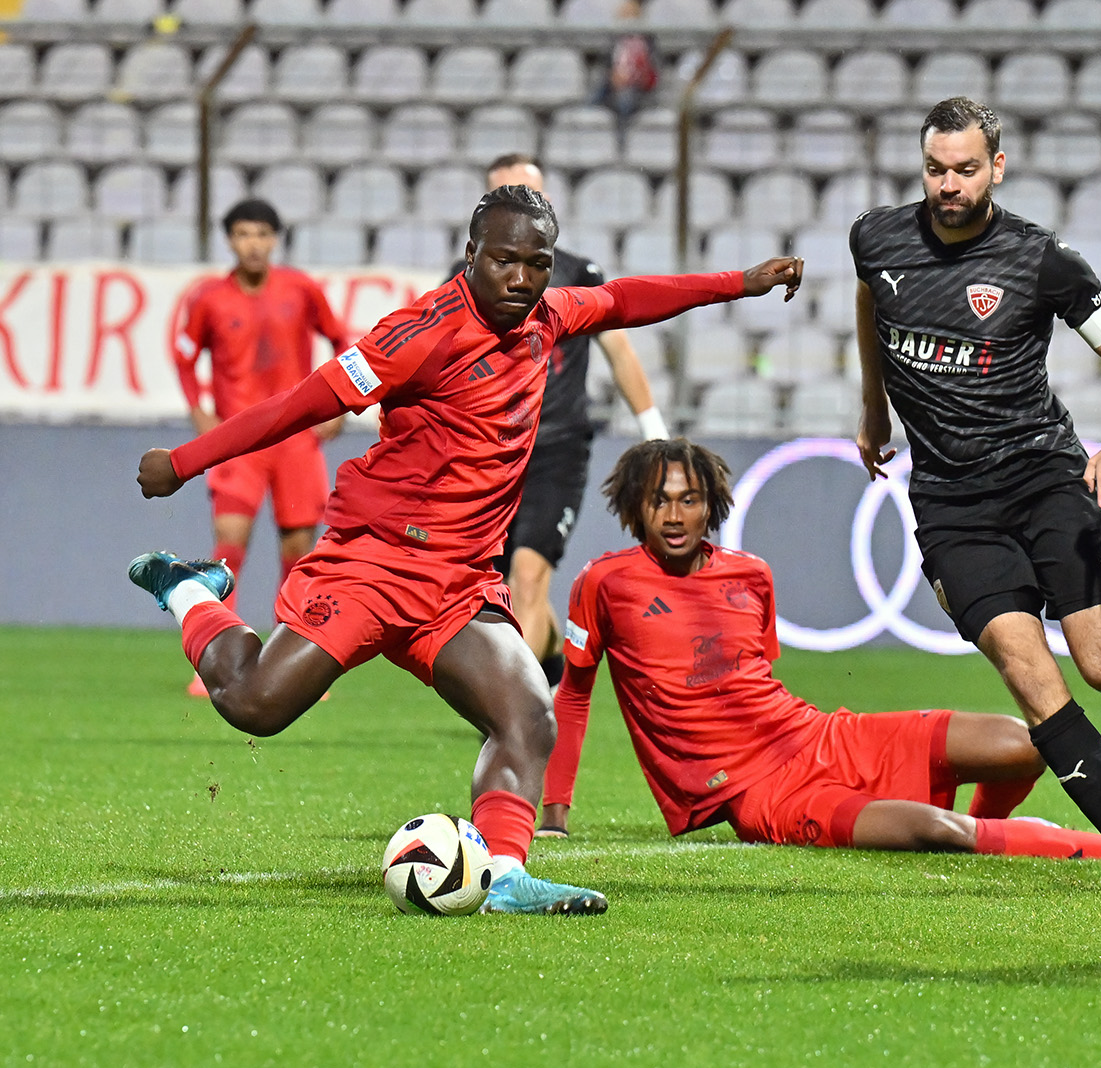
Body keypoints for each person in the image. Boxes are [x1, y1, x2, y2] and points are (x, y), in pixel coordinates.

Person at [128, 183, 803, 915]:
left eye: (538, 264)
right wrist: (188, 460)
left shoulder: (547, 316)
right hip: (376, 562)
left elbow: (627, 299)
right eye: (505, 260)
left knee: (527, 715)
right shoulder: (415, 334)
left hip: (457, 583)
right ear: (470, 254)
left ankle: (506, 876)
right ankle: (191, 591)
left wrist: (740, 283)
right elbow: (299, 404)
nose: (521, 279)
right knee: (255, 704)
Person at [850, 97, 1101, 899]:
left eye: (965, 170)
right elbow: (873, 302)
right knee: (1033, 680)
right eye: (935, 169)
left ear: (997, 166)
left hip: (1044, 481)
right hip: (953, 506)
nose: (948, 186)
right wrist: (872, 408)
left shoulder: (1043, 260)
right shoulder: (877, 238)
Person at [542, 438, 1101, 865]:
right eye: (659, 501)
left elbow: (755, 683)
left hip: (824, 737)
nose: (673, 514)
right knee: (936, 831)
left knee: (1034, 744)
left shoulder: (749, 574)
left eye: (689, 499)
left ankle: (997, 836)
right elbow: (574, 694)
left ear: (710, 504)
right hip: (763, 797)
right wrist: (554, 812)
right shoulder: (603, 584)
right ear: (634, 507)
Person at [450, 154, 670, 696]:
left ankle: (516, 715)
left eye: (528, 193)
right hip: (488, 452)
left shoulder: (576, 273)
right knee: (494, 594)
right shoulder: (460, 284)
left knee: (528, 578)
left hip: (556, 448)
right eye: (504, 194)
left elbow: (618, 349)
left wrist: (655, 432)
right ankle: (547, 675)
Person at [172, 199, 351, 697]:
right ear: (229, 240)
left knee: (298, 551)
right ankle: (214, 659)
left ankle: (293, 663)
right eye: (243, 234)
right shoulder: (209, 298)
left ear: (275, 240)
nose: (253, 243)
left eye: (262, 234)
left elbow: (343, 343)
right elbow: (185, 358)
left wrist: (338, 407)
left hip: (295, 440)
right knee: (230, 542)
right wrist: (198, 410)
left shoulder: (301, 289)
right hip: (239, 440)